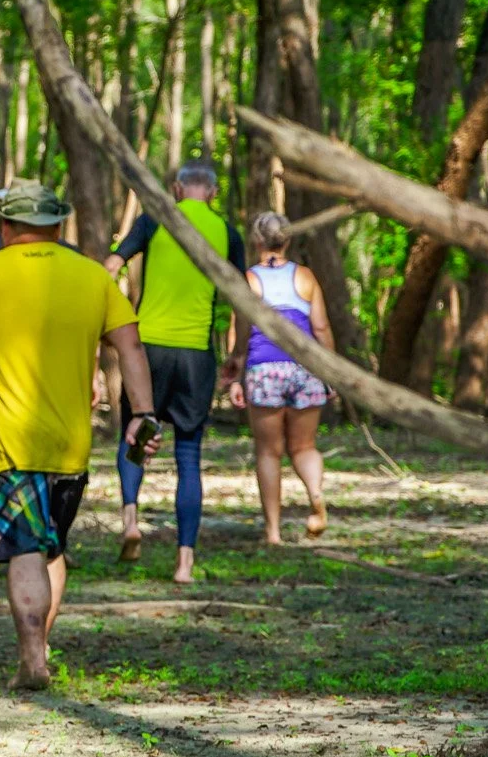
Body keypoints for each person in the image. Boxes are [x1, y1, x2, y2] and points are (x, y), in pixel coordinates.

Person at [0, 181, 158, 691]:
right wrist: (142, 413)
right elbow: (131, 347)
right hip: (70, 444)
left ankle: (33, 660)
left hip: (9, 443)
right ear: (58, 226)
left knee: (26, 550)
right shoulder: (92, 276)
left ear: (4, 226)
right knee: (52, 547)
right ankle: (42, 645)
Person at [104, 158, 244, 584]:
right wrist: (238, 353)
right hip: (195, 355)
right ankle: (184, 563)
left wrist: (114, 322)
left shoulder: (155, 220)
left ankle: (131, 520)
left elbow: (111, 267)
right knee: (188, 455)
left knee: (135, 434)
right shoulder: (227, 233)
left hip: (147, 350)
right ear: (212, 194)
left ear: (178, 190)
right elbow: (245, 297)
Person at [222, 212, 334, 544]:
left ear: (256, 241)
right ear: (287, 239)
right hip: (305, 368)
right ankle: (315, 495)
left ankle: (272, 531)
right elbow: (321, 328)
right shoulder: (306, 277)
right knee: (304, 446)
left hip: (264, 369)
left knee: (269, 452)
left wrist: (237, 369)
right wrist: (331, 373)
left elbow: (241, 329)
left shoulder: (249, 279)